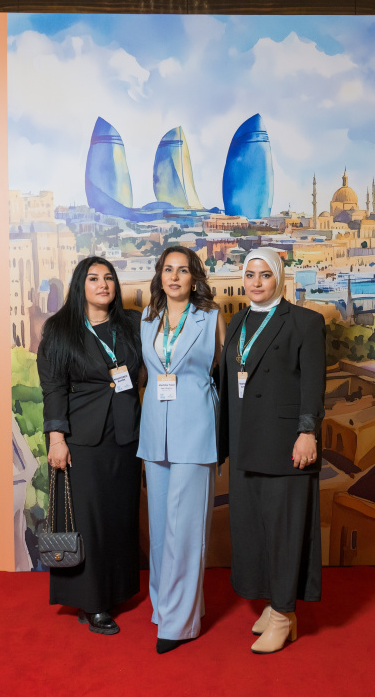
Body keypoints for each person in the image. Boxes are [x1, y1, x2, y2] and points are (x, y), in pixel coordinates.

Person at [217, 248, 326, 654]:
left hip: (284, 443)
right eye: (250, 274)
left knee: (284, 530)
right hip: (245, 440)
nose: (256, 282)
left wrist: (307, 432)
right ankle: (273, 603)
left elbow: (312, 383)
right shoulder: (238, 322)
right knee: (254, 529)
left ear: (278, 277)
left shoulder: (304, 322)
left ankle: (284, 613)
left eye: (265, 274)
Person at [36, 256, 143, 635]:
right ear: (80, 284)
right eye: (94, 278)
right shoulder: (60, 329)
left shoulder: (132, 324)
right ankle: (92, 601)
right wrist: (56, 438)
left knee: (119, 518)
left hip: (126, 436)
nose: (103, 284)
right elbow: (53, 388)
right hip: (82, 438)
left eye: (109, 278)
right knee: (89, 520)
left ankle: (116, 591)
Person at [137, 246, 226, 654]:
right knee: (159, 529)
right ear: (160, 275)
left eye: (183, 270)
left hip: (195, 429)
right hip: (155, 431)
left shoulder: (211, 317)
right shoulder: (147, 317)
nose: (174, 277)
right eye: (168, 270)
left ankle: (179, 623)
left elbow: (222, 372)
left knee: (185, 529)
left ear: (194, 278)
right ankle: (165, 607)